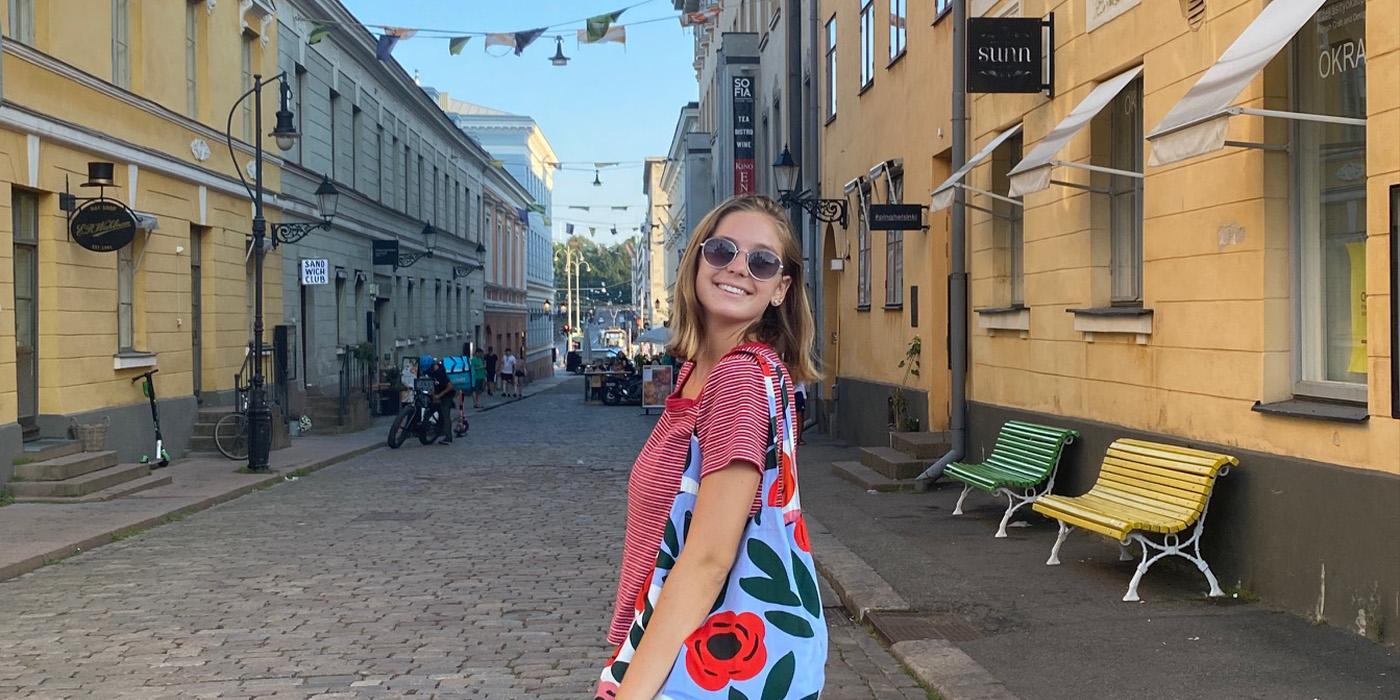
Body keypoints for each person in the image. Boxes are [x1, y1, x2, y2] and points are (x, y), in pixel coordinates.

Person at [599, 195, 824, 697]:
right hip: (665, 643)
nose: (739, 268)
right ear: (698, 259)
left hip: (689, 664)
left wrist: (630, 690)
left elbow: (708, 558)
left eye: (762, 261)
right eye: (722, 250)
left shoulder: (739, 378)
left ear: (780, 289)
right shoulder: (694, 376)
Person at [425, 357, 455, 445]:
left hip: (447, 395)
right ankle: (438, 430)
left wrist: (439, 395)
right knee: (432, 410)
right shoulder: (431, 370)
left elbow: (450, 387)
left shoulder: (440, 373)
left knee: (445, 414)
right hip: (437, 393)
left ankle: (448, 437)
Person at [794, 381, 808, 445]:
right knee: (798, 418)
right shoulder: (796, 373)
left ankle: (798, 438)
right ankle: (798, 439)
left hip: (799, 394)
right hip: (797, 394)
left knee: (800, 418)